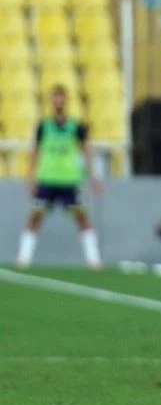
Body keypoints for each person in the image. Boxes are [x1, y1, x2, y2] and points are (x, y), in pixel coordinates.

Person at [15, 84, 102, 269]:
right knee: (35, 216)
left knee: (82, 217)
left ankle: (94, 259)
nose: (58, 102)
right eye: (55, 98)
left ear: (66, 100)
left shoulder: (75, 127)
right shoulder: (44, 127)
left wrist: (92, 177)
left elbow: (86, 151)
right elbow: (35, 152)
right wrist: (30, 178)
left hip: (68, 180)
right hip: (47, 179)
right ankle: (23, 258)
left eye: (61, 98)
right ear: (51, 101)